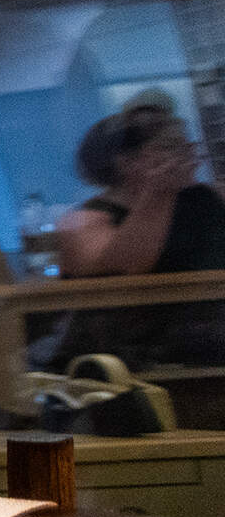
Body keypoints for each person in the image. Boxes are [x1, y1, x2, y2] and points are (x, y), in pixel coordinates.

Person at [47, 93, 225, 368]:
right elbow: (129, 264)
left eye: (187, 146)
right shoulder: (83, 222)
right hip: (129, 359)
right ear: (126, 162)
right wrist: (157, 192)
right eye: (171, 148)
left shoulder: (201, 198)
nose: (189, 157)